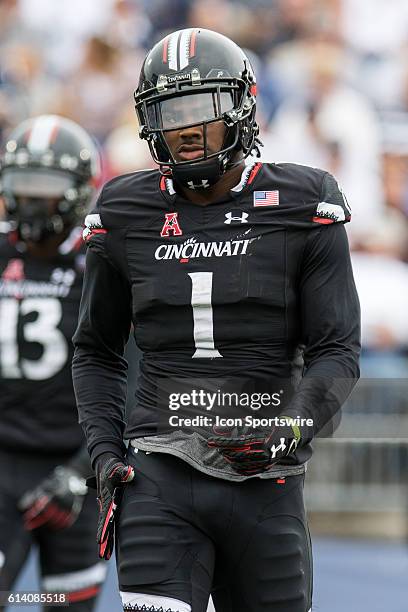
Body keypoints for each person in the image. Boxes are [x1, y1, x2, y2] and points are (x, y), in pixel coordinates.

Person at [72, 28, 361, 612]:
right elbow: (96, 350)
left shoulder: (304, 202)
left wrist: (293, 426)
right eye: (168, 110)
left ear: (242, 105)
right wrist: (106, 453)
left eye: (201, 106)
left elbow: (337, 348)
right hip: (159, 469)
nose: (184, 126)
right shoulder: (125, 210)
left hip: (265, 477)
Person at [0, 115, 106, 611]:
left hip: (76, 462)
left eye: (45, 187)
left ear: (79, 192)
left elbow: (130, 377)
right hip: (2, 460)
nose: (32, 201)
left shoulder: (104, 261)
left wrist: (84, 470)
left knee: (70, 606)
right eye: (22, 185)